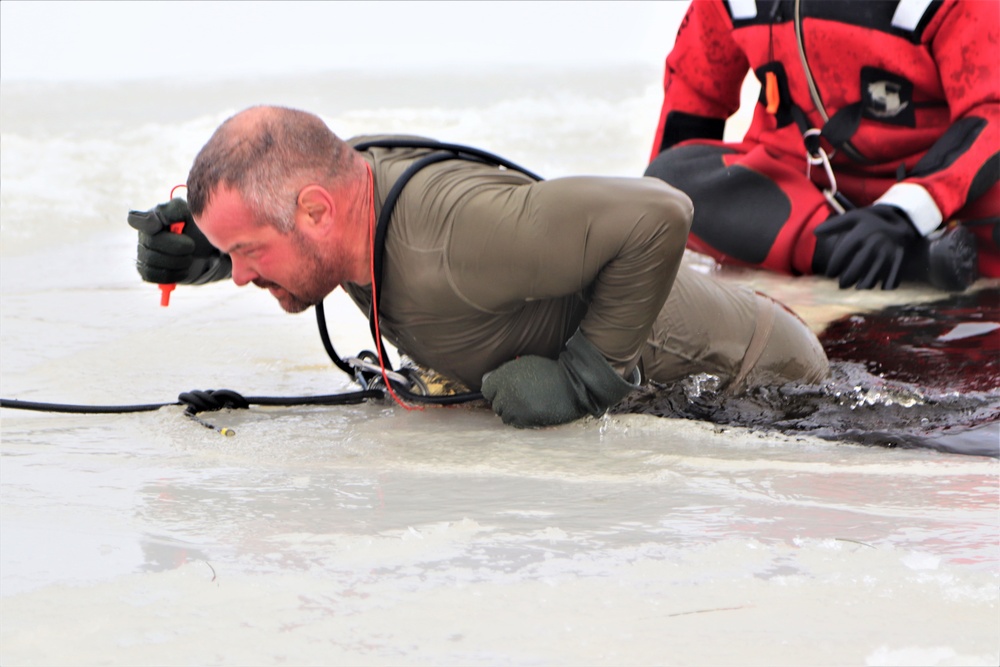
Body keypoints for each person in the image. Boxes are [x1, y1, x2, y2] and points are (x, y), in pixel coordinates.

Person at [129, 105, 829, 429]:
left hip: (763, 377)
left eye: (248, 254)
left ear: (315, 212)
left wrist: (585, 378)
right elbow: (283, 171)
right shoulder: (342, 188)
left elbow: (659, 213)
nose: (243, 276)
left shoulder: (456, 243)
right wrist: (209, 252)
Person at [644, 0, 999, 291]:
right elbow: (693, 93)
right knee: (670, 185)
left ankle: (897, 249)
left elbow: (992, 113)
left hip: (947, 199)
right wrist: (652, 231)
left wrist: (905, 210)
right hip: (801, 192)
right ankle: (906, 260)